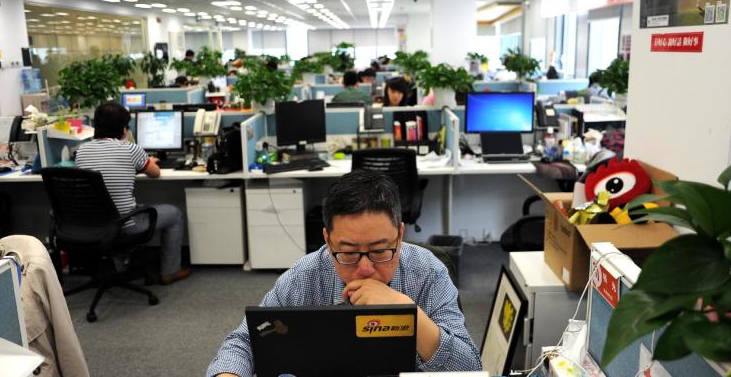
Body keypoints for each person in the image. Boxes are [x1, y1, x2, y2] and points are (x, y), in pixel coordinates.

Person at [207, 170, 482, 377]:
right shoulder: (306, 276)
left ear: (400, 234)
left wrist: (405, 310)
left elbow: (469, 368)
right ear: (327, 239)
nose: (365, 269)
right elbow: (244, 341)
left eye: (379, 251)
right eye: (348, 252)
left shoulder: (428, 273)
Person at [75, 102, 191, 285]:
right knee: (175, 214)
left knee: (125, 206)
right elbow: (155, 173)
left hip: (94, 224)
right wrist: (146, 161)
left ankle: (120, 263)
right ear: (123, 129)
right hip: (127, 224)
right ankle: (170, 271)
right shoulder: (131, 149)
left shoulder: (81, 151)